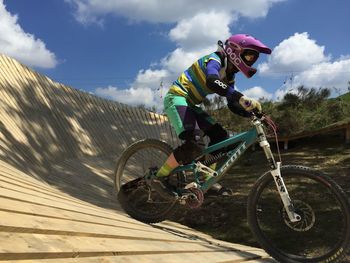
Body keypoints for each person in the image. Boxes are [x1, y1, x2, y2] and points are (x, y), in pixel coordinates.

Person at [152, 34, 272, 199]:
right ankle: (160, 177)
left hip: (191, 105)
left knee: (221, 137)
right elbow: (212, 81)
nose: (252, 61)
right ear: (236, 51)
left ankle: (207, 180)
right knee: (195, 141)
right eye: (249, 56)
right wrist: (240, 96)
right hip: (177, 98)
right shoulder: (215, 59)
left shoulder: (229, 76)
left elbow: (232, 104)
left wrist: (255, 113)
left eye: (254, 58)